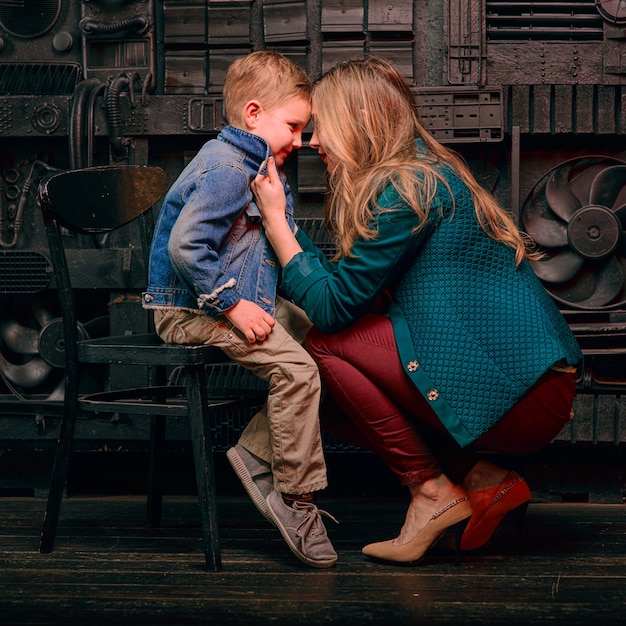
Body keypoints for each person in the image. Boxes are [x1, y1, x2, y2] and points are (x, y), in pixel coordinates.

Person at [251, 57, 583, 565]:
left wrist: (276, 223)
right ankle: (482, 477)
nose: (314, 142)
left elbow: (334, 310)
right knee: (324, 394)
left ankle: (430, 491)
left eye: (324, 128)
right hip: (534, 385)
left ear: (359, 122)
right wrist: (290, 229)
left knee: (322, 347)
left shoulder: (408, 190)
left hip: (526, 395)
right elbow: (340, 291)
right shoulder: (425, 171)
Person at [141, 50, 337, 569]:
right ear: (254, 114)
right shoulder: (229, 168)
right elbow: (187, 248)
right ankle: (296, 499)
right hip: (191, 311)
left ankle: (254, 451)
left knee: (327, 344)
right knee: (298, 372)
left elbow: (273, 246)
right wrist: (233, 306)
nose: (301, 141)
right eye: (293, 126)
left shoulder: (255, 163)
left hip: (232, 300)